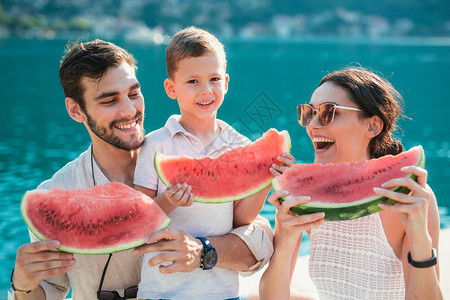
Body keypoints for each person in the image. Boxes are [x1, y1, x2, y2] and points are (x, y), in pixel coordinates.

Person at [10, 39, 275, 300]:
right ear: (76, 110)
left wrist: (204, 250)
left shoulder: (175, 152)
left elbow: (258, 237)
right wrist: (21, 285)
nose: (129, 110)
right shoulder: (57, 195)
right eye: (109, 100)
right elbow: (47, 291)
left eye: (134, 93)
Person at [133, 26, 293, 299]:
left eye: (214, 79)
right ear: (171, 88)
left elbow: (241, 219)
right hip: (162, 291)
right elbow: (139, 221)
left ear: (226, 83)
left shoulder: (240, 145)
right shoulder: (155, 146)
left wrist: (265, 179)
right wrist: (169, 201)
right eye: (192, 81)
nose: (206, 90)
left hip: (222, 290)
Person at [259, 67, 443, 300]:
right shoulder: (303, 199)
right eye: (308, 112)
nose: (312, 125)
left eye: (328, 112)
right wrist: (284, 241)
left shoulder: (407, 197)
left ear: (372, 126)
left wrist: (420, 239)